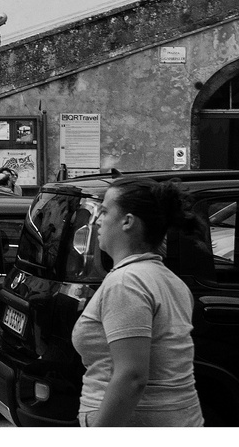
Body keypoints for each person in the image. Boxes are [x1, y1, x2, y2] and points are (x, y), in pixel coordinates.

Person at [73, 176, 205, 426]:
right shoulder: (170, 280)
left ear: (127, 221)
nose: (97, 221)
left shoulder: (126, 282)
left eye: (103, 211)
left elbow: (132, 377)